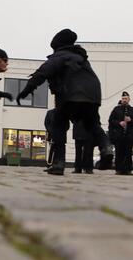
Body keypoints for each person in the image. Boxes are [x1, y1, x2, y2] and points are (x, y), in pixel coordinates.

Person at [16, 29, 107, 176]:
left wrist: (27, 89)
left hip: (71, 95)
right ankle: (106, 147)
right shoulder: (82, 59)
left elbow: (43, 72)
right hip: (93, 95)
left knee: (58, 123)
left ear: (57, 45)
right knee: (93, 124)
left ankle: (58, 163)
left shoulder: (60, 56)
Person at [108, 91, 133, 175]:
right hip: (119, 135)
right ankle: (118, 169)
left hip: (129, 135)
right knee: (119, 153)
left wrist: (130, 120)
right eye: (123, 99)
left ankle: (128, 170)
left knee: (128, 153)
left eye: (126, 99)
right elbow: (111, 120)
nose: (124, 100)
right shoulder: (116, 109)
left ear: (129, 99)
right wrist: (119, 123)